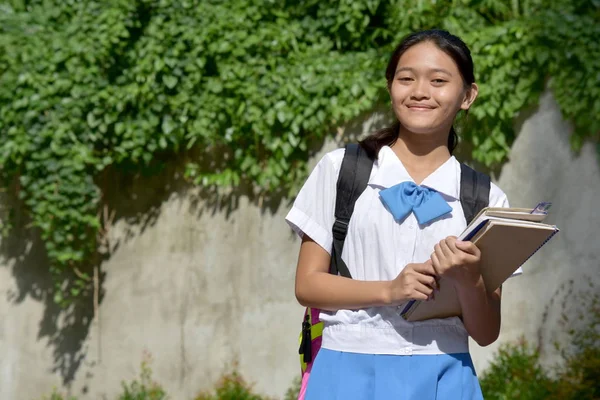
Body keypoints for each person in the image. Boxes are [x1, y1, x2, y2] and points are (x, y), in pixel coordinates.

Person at [285, 29, 520, 400]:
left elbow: (486, 332)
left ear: (468, 96)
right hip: (347, 370)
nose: (420, 91)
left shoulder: (486, 198)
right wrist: (390, 290)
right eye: (405, 78)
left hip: (446, 373)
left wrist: (470, 278)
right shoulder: (341, 171)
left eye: (439, 81)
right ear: (390, 87)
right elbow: (308, 285)